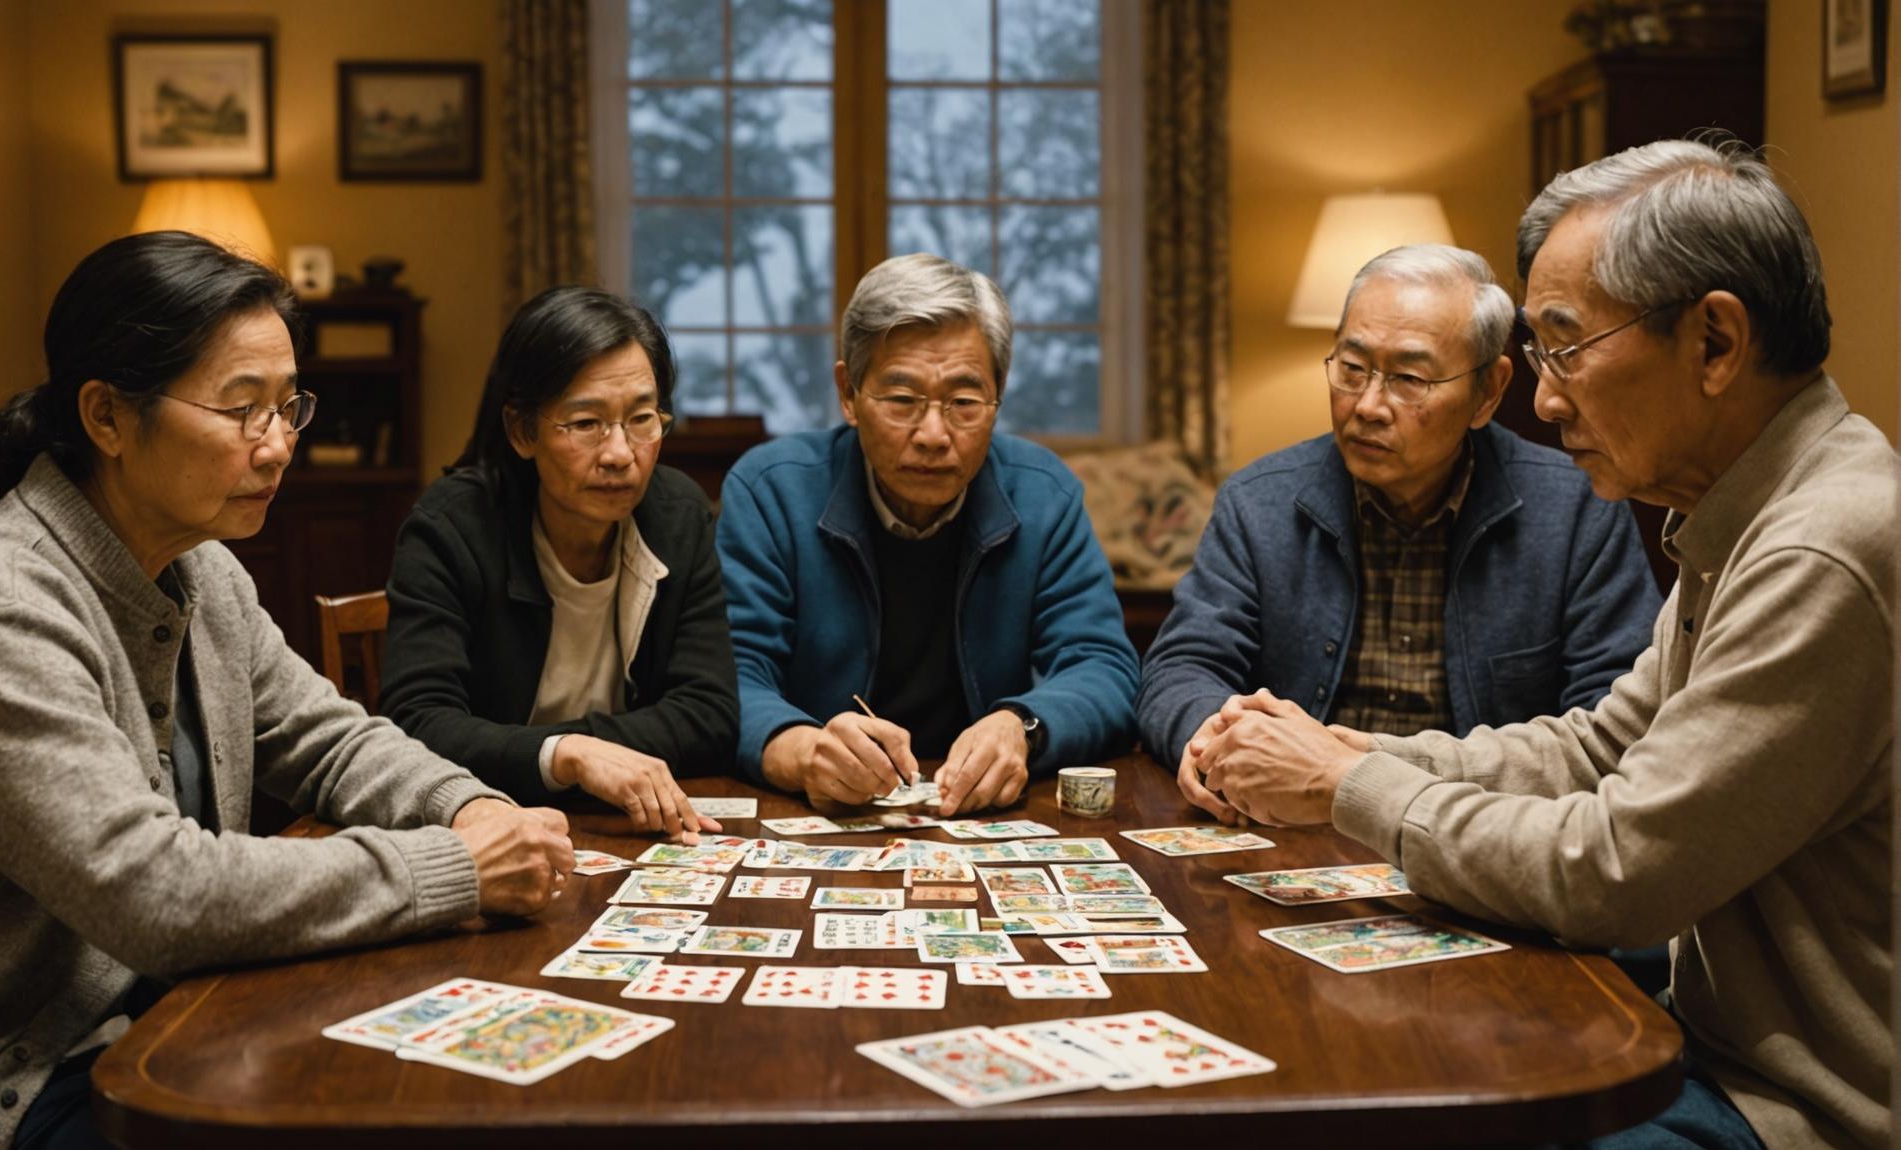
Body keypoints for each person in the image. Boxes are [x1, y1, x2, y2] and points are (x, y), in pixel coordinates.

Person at [1200, 140, 1894, 1150]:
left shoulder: (1820, 544)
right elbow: (1595, 749)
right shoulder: (1748, 511)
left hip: (1790, 1104)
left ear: (1713, 343)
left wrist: (1350, 790)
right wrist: (1347, 754)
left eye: (1564, 348)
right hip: (1698, 1033)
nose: (1546, 398)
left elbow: (1617, 869)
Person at [0, 232, 573, 1150]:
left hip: (168, 1019)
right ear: (107, 418)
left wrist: (468, 806)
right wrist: (452, 867)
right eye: (242, 410)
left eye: (289, 407)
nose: (278, 447)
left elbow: (331, 739)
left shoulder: (201, 569)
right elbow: (157, 893)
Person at [1140, 244, 1659, 821]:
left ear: (1488, 391)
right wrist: (1215, 737)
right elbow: (1182, 666)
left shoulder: (1574, 509)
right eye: (1352, 368)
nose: (1367, 406)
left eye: (1409, 378)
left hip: (1482, 832)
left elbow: (1615, 714)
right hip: (1292, 827)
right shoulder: (1258, 501)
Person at [719, 253, 1139, 816]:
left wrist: (1022, 725)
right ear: (848, 393)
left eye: (964, 402)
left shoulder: (1043, 493)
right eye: (902, 401)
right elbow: (730, 675)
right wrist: (800, 750)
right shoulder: (771, 490)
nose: (934, 434)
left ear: (998, 395)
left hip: (982, 809)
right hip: (820, 809)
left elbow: (1103, 664)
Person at [383, 286, 738, 840]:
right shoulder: (453, 527)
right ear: (523, 431)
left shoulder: (678, 515)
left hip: (632, 829)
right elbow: (419, 724)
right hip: (488, 830)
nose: (620, 453)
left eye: (643, 419)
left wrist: (583, 752)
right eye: (586, 422)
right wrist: (566, 755)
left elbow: (709, 713)